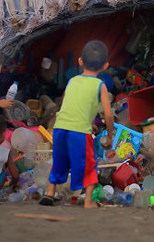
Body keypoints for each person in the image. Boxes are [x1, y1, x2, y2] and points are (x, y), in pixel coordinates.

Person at [40, 40, 115, 209]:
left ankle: (50, 192)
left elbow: (69, 104)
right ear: (105, 65)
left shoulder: (72, 80)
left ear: (80, 61)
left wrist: (88, 122)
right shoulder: (100, 85)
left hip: (60, 128)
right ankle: (88, 201)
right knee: (89, 164)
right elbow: (108, 115)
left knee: (59, 161)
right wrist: (109, 136)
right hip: (79, 132)